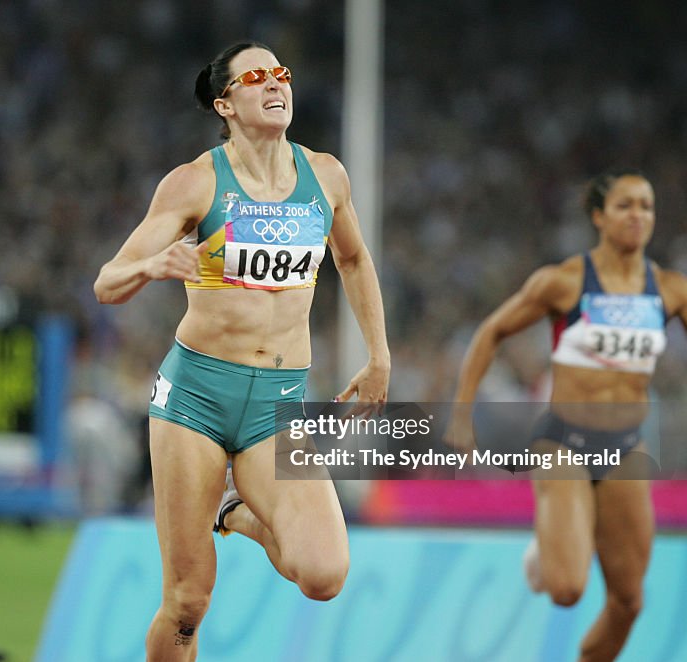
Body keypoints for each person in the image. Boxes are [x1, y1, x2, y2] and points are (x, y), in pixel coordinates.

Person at [94, 42, 390, 660]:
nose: (275, 83)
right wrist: (154, 264)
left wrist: (379, 355)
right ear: (225, 103)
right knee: (187, 601)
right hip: (196, 400)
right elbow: (107, 283)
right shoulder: (196, 184)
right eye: (256, 77)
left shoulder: (325, 175)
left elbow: (355, 258)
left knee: (324, 575)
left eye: (281, 72)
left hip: (277, 406)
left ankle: (236, 510)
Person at [445, 171, 687, 662]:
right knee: (567, 589)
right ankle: (547, 547)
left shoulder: (670, 290)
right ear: (599, 217)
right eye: (625, 205)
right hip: (564, 444)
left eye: (646, 205)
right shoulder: (565, 281)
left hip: (626, 448)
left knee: (628, 601)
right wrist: (461, 414)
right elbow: (492, 331)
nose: (638, 215)